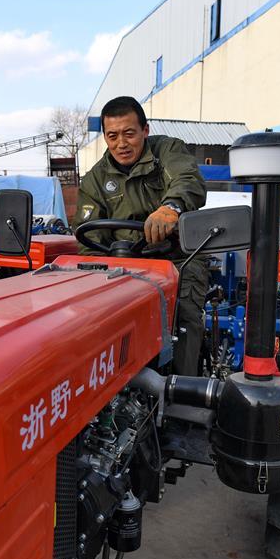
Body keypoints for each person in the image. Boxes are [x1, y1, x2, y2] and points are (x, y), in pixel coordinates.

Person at [72, 96, 208, 376]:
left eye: (129, 134)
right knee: (90, 315)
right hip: (123, 265)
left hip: (176, 258)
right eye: (112, 136)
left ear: (145, 131)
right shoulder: (95, 180)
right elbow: (90, 242)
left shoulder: (167, 151)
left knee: (184, 313)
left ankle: (185, 391)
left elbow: (188, 181)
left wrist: (170, 208)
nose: (121, 144)